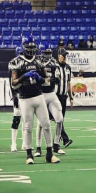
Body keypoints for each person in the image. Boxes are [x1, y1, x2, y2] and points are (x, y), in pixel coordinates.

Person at [10, 36, 60, 164]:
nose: (31, 50)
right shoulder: (17, 61)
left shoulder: (39, 61)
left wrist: (40, 79)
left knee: (47, 125)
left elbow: (47, 80)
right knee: (27, 127)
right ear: (23, 47)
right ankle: (29, 155)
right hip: (25, 99)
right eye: (29, 47)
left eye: (33, 47)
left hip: (39, 96)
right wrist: (23, 77)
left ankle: (49, 154)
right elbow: (14, 83)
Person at [34, 44, 65, 157]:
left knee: (59, 119)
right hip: (41, 94)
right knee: (41, 123)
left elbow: (57, 79)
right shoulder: (37, 63)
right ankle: (38, 147)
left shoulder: (54, 63)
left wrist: (56, 79)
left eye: (49, 53)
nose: (47, 56)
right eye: (45, 53)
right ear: (41, 53)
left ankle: (56, 144)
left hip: (51, 93)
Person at [56, 48, 74, 148]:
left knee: (61, 119)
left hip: (64, 96)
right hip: (56, 96)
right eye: (63, 55)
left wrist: (71, 97)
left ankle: (58, 140)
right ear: (59, 56)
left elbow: (68, 83)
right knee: (58, 118)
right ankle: (65, 139)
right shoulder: (55, 66)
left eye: (66, 55)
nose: (65, 57)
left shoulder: (68, 67)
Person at [8, 46, 25, 152]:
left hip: (25, 93)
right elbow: (12, 81)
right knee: (16, 119)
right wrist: (14, 95)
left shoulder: (25, 64)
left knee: (25, 120)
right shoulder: (14, 64)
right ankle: (13, 143)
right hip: (18, 93)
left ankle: (24, 142)